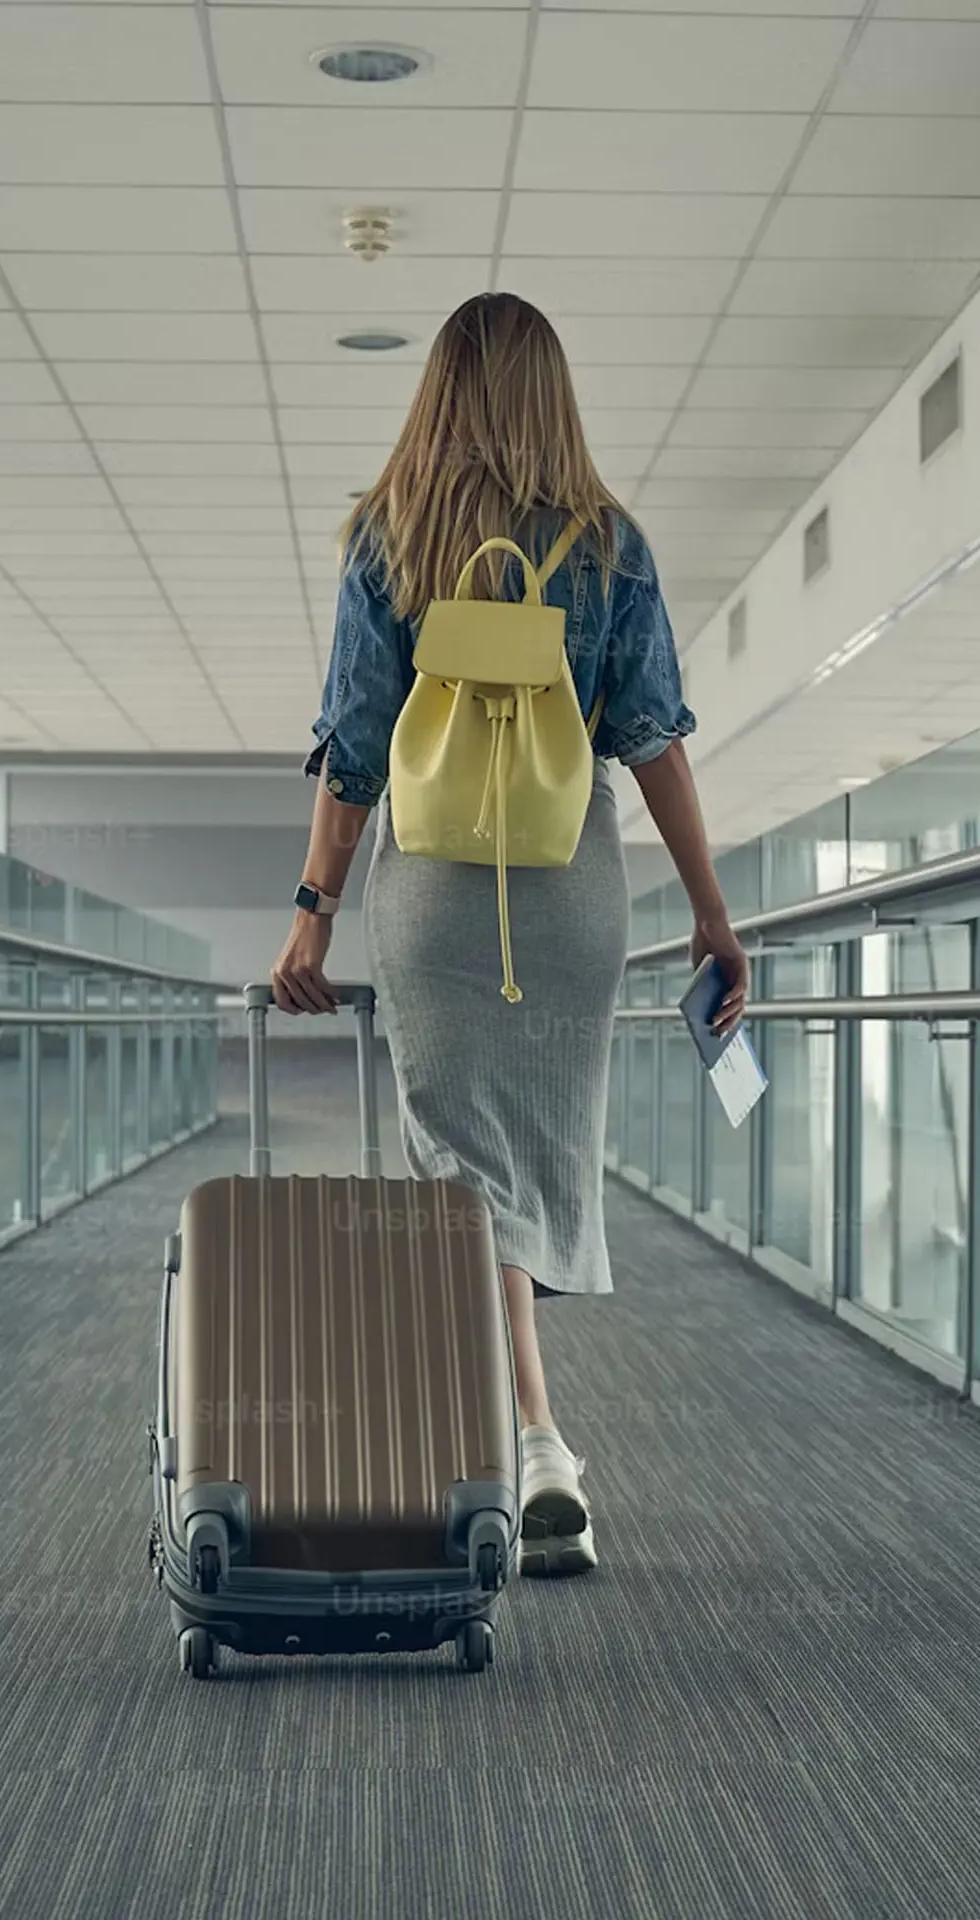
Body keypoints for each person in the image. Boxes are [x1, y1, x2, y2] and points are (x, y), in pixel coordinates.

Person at [272, 292, 749, 1577]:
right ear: (554, 392)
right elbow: (652, 741)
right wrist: (710, 912)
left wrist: (311, 918)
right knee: (523, 1164)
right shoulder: (611, 546)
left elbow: (356, 754)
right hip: (569, 889)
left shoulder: (391, 537)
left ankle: (533, 1435)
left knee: (462, 1172)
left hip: (435, 888)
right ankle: (534, 1433)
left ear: (437, 390)